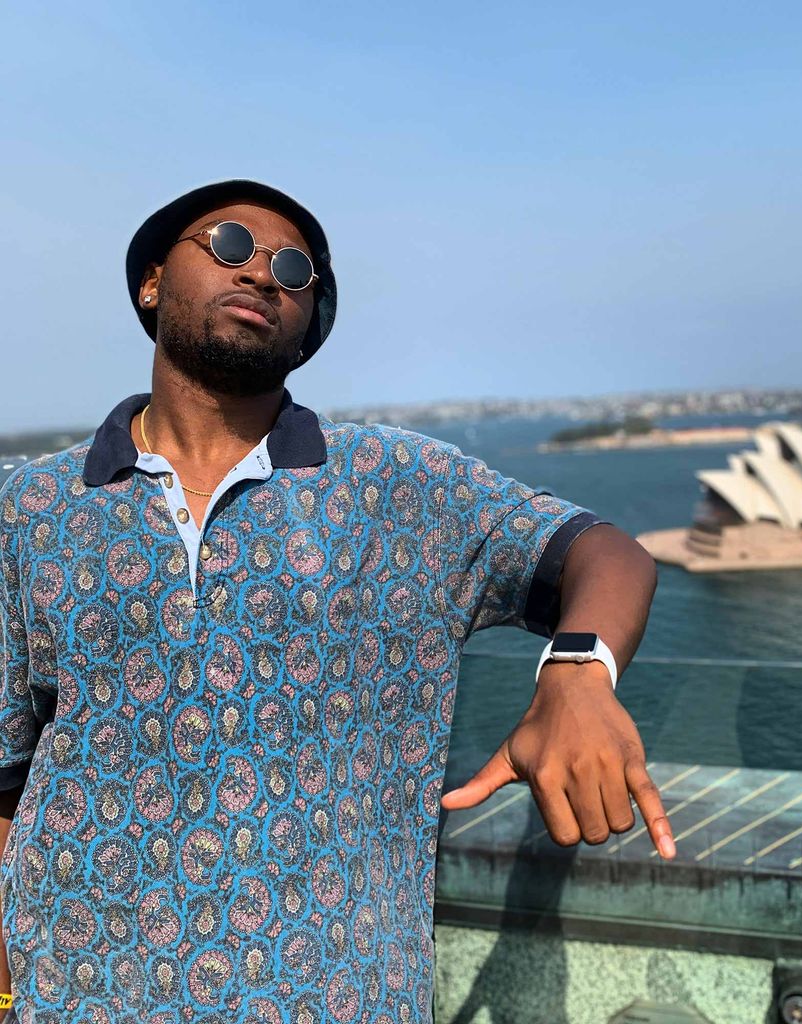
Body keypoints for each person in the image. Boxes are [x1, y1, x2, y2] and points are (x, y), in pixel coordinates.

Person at [0, 179, 674, 1023]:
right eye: (231, 246)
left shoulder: (398, 485)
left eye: (294, 269)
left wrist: (578, 672)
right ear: (151, 281)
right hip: (74, 1002)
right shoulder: (31, 506)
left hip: (340, 999)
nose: (263, 275)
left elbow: (603, 552)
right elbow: (7, 775)